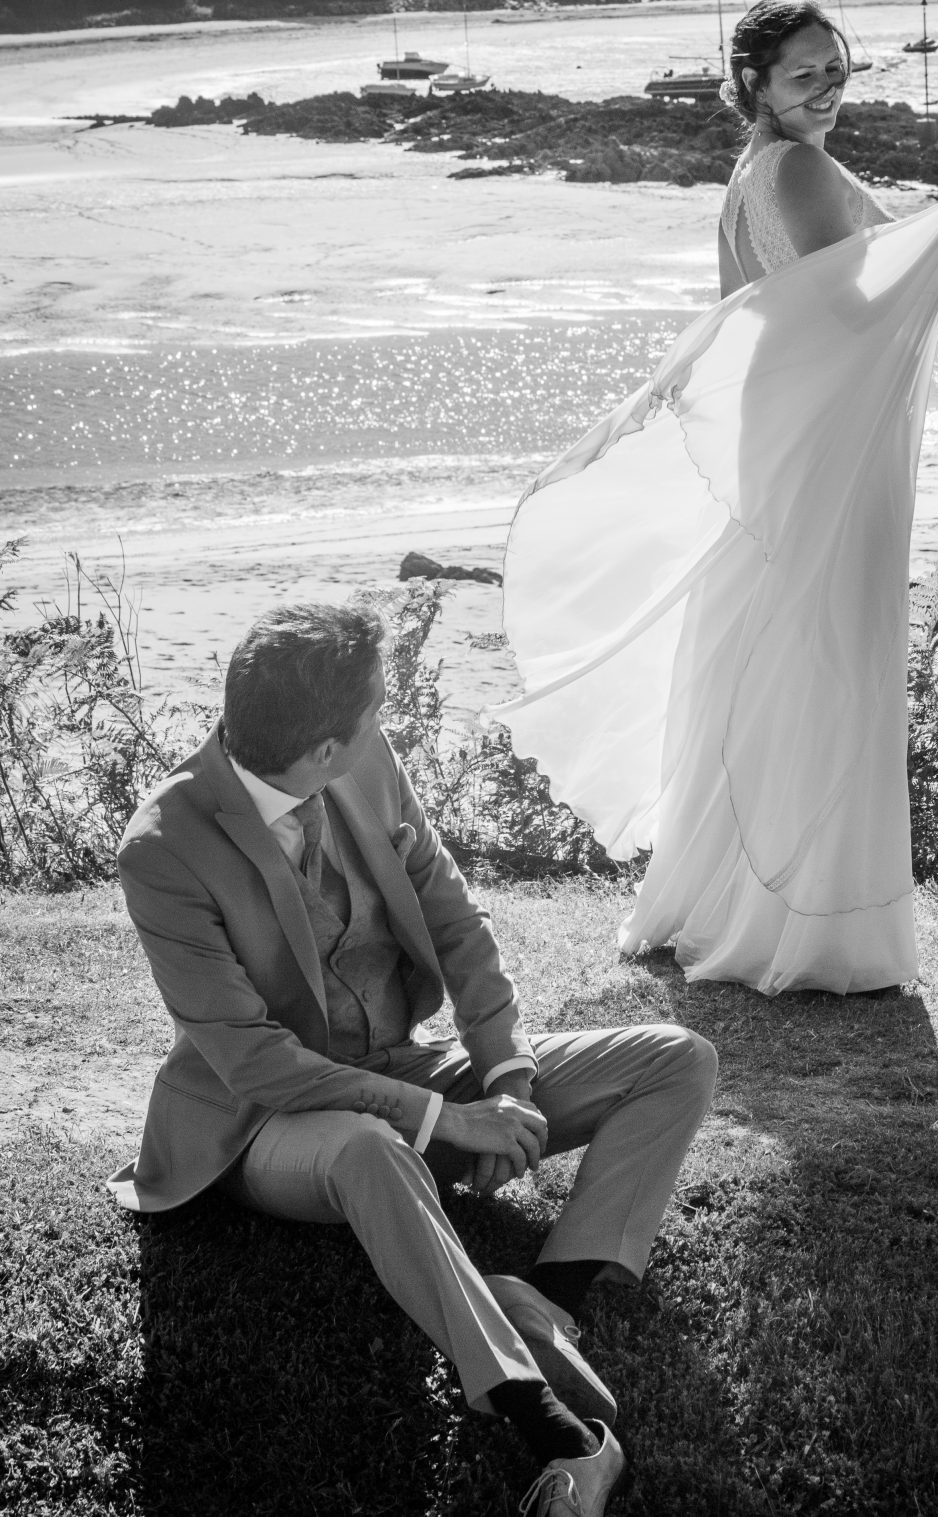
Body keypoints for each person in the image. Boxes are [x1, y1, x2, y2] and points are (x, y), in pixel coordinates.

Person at [108, 601, 717, 1517]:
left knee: (677, 1057)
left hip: (404, 1062)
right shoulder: (162, 848)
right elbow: (255, 1063)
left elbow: (452, 918)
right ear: (320, 749)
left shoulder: (367, 764)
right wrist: (444, 1118)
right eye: (375, 709)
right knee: (370, 1149)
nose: (385, 719)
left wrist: (506, 1075)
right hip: (263, 1127)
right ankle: (552, 1425)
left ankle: (546, 1296)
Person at [495, 0, 938, 998]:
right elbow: (842, 321)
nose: (829, 86)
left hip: (782, 458)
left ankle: (742, 899)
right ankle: (803, 927)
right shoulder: (794, 168)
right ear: (754, 86)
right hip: (817, 469)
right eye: (806, 72)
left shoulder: (752, 173)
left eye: (838, 68)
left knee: (772, 666)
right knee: (822, 668)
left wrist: (937, 220)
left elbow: (797, 308)